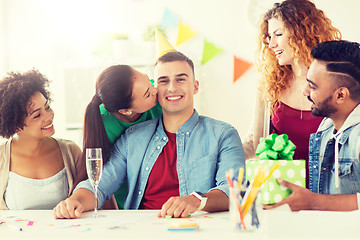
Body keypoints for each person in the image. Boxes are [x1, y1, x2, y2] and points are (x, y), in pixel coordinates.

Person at [53, 51, 246, 219]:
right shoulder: (131, 138)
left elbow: (235, 191)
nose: (171, 87)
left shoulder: (223, 135)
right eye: (163, 81)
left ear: (195, 86)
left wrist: (196, 200)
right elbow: (100, 186)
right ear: (156, 89)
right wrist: (75, 200)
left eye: (180, 79)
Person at [243, 0, 341, 185]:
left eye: (278, 34)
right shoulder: (269, 85)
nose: (271, 44)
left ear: (302, 33)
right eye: (269, 37)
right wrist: (226, 154)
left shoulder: (337, 81)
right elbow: (255, 141)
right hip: (282, 191)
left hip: (327, 191)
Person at [264, 40, 360, 211]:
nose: (305, 92)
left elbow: (316, 201)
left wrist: (314, 201)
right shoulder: (325, 129)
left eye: (313, 86)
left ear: (340, 95)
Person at [0, 69, 86, 210]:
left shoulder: (71, 152)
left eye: (47, 107)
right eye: (37, 115)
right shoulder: (2, 157)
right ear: (16, 126)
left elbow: (93, 198)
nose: (48, 116)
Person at [83, 65, 161, 209]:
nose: (155, 90)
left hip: (157, 189)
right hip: (122, 194)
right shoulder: (101, 121)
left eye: (150, 82)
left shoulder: (158, 100)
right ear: (126, 111)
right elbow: (105, 176)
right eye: (147, 94)